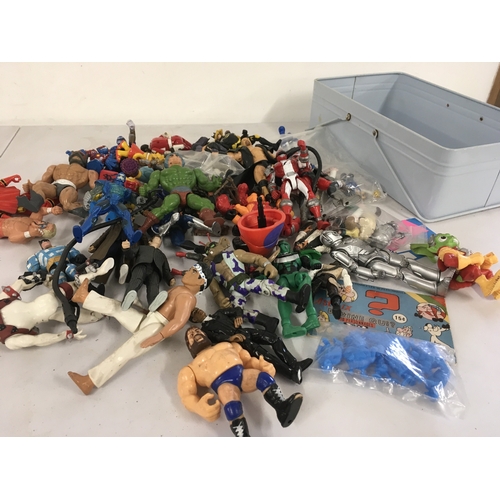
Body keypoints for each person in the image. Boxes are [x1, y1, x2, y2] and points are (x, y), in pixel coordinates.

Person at [67, 262, 213, 395]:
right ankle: (84, 297)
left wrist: (158, 336)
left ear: (200, 281)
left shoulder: (188, 298)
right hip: (150, 318)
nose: (188, 271)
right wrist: (147, 311)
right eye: (191, 268)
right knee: (118, 308)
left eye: (193, 271)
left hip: (157, 327)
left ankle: (90, 381)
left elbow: (179, 321)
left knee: (125, 351)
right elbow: (162, 304)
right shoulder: (179, 289)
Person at [178, 327, 303, 437]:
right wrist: (198, 407)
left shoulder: (228, 345)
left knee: (264, 378)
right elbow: (187, 396)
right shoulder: (189, 369)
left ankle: (282, 407)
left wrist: (261, 365)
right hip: (223, 384)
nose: (195, 333)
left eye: (197, 330)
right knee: (231, 405)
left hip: (242, 374)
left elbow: (247, 360)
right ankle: (243, 436)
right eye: (191, 335)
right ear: (189, 345)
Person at [190, 306, 312, 384]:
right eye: (195, 312)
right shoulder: (205, 330)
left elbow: (237, 309)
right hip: (240, 342)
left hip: (245, 332)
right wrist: (229, 339)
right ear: (194, 320)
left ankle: (295, 364)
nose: (199, 311)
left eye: (197, 308)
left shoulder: (219, 313)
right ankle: (290, 374)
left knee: (274, 339)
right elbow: (215, 339)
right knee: (264, 356)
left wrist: (238, 316)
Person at [120, 235, 175, 311]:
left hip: (155, 271)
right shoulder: (142, 248)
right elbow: (131, 254)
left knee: (153, 287)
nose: (158, 241)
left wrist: (170, 278)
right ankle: (127, 300)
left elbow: (166, 269)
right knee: (135, 281)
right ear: (150, 241)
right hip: (142, 265)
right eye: (156, 239)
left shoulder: (162, 255)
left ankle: (153, 303)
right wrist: (126, 249)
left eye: (160, 241)